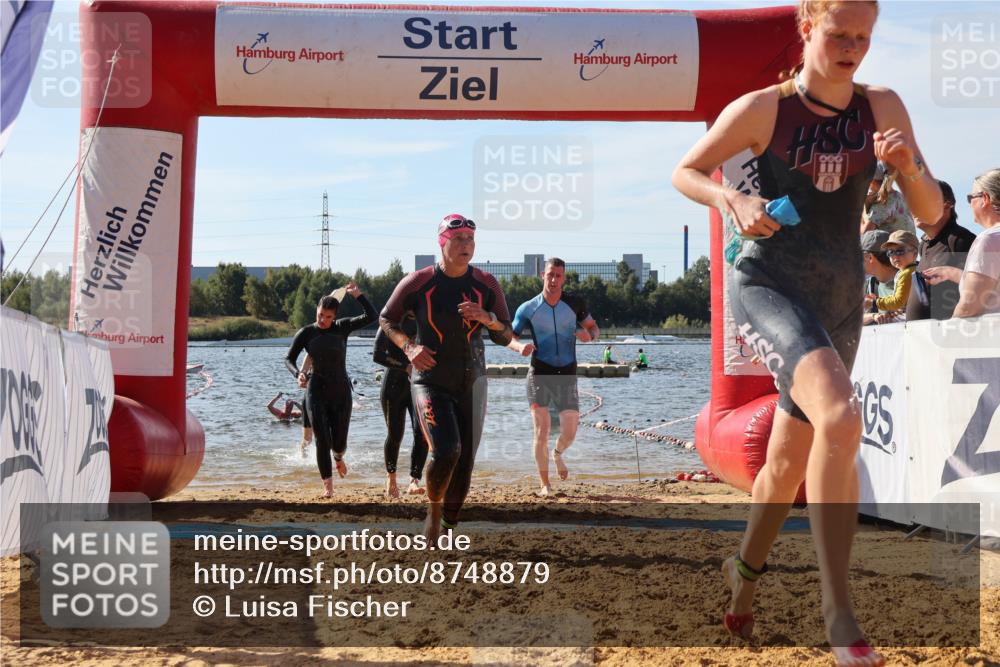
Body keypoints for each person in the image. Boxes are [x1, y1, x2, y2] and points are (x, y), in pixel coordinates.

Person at [671, 2, 942, 665]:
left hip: (841, 300)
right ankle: (838, 609)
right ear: (807, 28)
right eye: (839, 33)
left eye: (863, 37)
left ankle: (743, 573)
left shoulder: (882, 106)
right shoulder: (765, 107)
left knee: (785, 462)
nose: (852, 46)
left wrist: (907, 166)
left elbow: (932, 214)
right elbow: (685, 171)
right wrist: (730, 199)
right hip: (770, 286)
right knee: (843, 416)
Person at [380, 214, 512, 541]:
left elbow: (506, 333)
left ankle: (451, 525)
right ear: (443, 243)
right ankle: (434, 509)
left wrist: (488, 318)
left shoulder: (486, 284)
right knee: (446, 449)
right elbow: (387, 319)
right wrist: (409, 348)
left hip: (472, 381)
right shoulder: (419, 281)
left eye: (470, 239)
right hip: (430, 380)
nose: (466, 245)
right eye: (459, 240)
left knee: (464, 461)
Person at [508, 257, 600, 497]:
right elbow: (510, 336)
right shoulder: (528, 308)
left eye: (558, 275)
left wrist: (590, 336)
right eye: (550, 274)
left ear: (564, 278)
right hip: (540, 373)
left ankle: (557, 455)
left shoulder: (574, 304)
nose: (554, 279)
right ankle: (544, 484)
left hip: (567, 374)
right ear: (542, 275)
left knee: (569, 431)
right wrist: (520, 348)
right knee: (542, 429)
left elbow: (594, 327)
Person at [285, 282, 377, 497]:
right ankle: (328, 486)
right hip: (316, 390)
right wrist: (297, 373)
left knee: (339, 443)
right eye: (320, 315)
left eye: (328, 317)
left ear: (334, 316)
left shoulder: (342, 327)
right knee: (321, 441)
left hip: (341, 391)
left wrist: (359, 296)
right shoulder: (306, 333)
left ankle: (338, 457)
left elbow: (371, 316)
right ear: (316, 311)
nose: (323, 320)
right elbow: (288, 358)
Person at [924, 168, 1000, 317]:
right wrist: (951, 273)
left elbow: (969, 307)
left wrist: (950, 333)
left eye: (970, 198)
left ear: (985, 198)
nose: (969, 204)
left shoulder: (988, 240)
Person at [905, 180, 978, 320]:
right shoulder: (924, 244)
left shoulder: (960, 240)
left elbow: (978, 291)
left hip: (951, 336)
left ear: (948, 205)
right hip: (922, 336)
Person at [373, 315, 428, 498]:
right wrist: (406, 366)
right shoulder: (390, 323)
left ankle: (414, 481)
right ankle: (391, 477)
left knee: (422, 433)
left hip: (418, 386)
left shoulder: (425, 321)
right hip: (393, 387)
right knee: (395, 434)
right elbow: (378, 355)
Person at [864, 230, 918, 314]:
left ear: (915, 254)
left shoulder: (907, 274)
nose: (895, 256)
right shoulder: (906, 272)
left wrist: (874, 303)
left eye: (900, 251)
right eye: (890, 252)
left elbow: (898, 302)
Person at [859, 161, 916, 236]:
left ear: (872, 182)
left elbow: (865, 233)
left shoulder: (883, 201)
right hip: (909, 244)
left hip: (892, 246)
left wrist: (859, 217)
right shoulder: (899, 196)